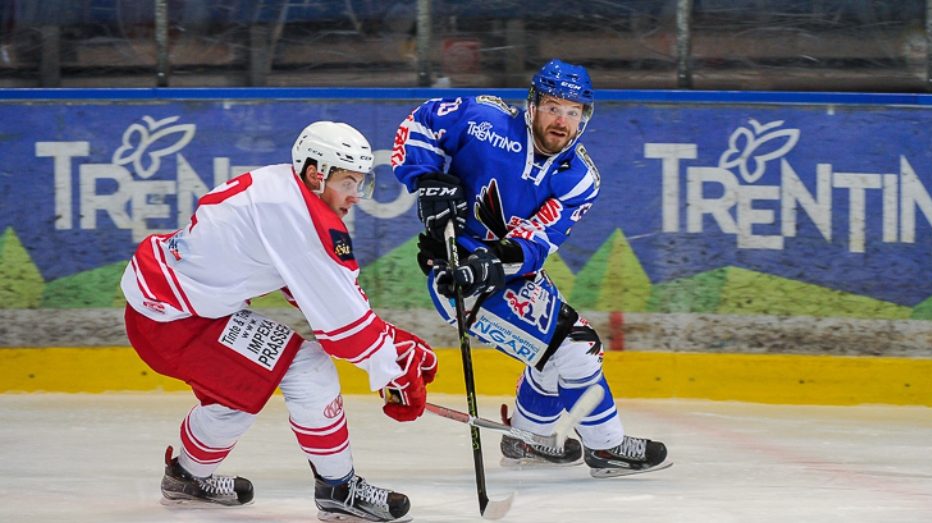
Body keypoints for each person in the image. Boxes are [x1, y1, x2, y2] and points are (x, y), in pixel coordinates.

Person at [121, 120, 436, 522]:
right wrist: (397, 365)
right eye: (347, 182)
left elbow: (319, 296)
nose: (356, 197)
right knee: (308, 368)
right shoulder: (302, 220)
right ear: (314, 174)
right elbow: (348, 334)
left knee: (236, 397)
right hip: (175, 323)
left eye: (361, 183)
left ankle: (187, 478)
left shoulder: (278, 186)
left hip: (172, 311)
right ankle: (338, 489)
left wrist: (390, 349)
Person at [391, 59, 671, 478]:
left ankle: (529, 440)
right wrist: (427, 177)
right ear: (533, 105)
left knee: (559, 353)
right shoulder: (483, 120)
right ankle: (607, 448)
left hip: (505, 278)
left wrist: (492, 262)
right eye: (555, 107)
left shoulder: (578, 178)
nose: (563, 121)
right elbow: (421, 122)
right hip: (455, 276)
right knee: (576, 348)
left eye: (574, 113)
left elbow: (538, 241)